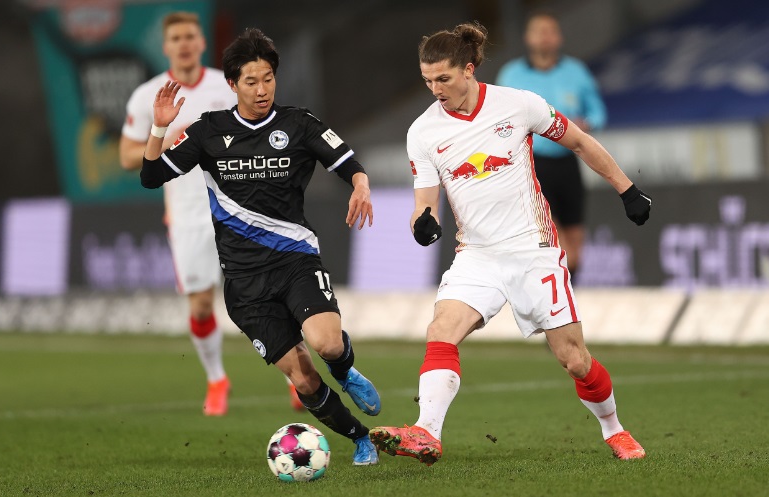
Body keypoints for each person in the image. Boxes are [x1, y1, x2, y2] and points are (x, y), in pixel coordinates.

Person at [369, 22, 651, 465]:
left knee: (574, 359)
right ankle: (426, 432)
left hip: (533, 249)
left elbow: (579, 142)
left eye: (443, 78)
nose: (435, 89)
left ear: (468, 69)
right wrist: (423, 222)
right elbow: (425, 201)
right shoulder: (422, 132)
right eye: (427, 80)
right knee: (441, 330)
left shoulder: (518, 104)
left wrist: (626, 189)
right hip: (477, 254)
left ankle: (615, 430)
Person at [139, 27, 382, 465]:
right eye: (251, 81)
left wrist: (361, 185)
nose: (262, 89)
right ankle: (361, 439)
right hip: (245, 283)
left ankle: (345, 370)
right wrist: (159, 126)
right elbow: (151, 176)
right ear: (232, 85)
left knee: (327, 345)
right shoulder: (209, 130)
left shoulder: (298, 123)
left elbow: (347, 161)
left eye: (268, 79)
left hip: (296, 260)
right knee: (304, 379)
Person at [119, 12, 303, 415]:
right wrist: (167, 137)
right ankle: (217, 378)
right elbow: (128, 156)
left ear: (202, 43)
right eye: (176, 38)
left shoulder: (229, 85)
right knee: (201, 305)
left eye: (190, 36)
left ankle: (296, 378)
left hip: (245, 210)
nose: (184, 44)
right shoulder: (149, 95)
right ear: (165, 47)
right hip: (188, 215)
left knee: (269, 294)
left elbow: (265, 127)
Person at [496, 11, 607, 275]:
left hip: (568, 162)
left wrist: (586, 124)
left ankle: (567, 294)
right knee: (558, 244)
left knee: (575, 249)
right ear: (528, 38)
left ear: (559, 37)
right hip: (533, 167)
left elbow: (598, 112)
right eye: (539, 31)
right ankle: (554, 297)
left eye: (550, 31)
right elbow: (498, 118)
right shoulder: (511, 75)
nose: (545, 37)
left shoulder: (576, 73)